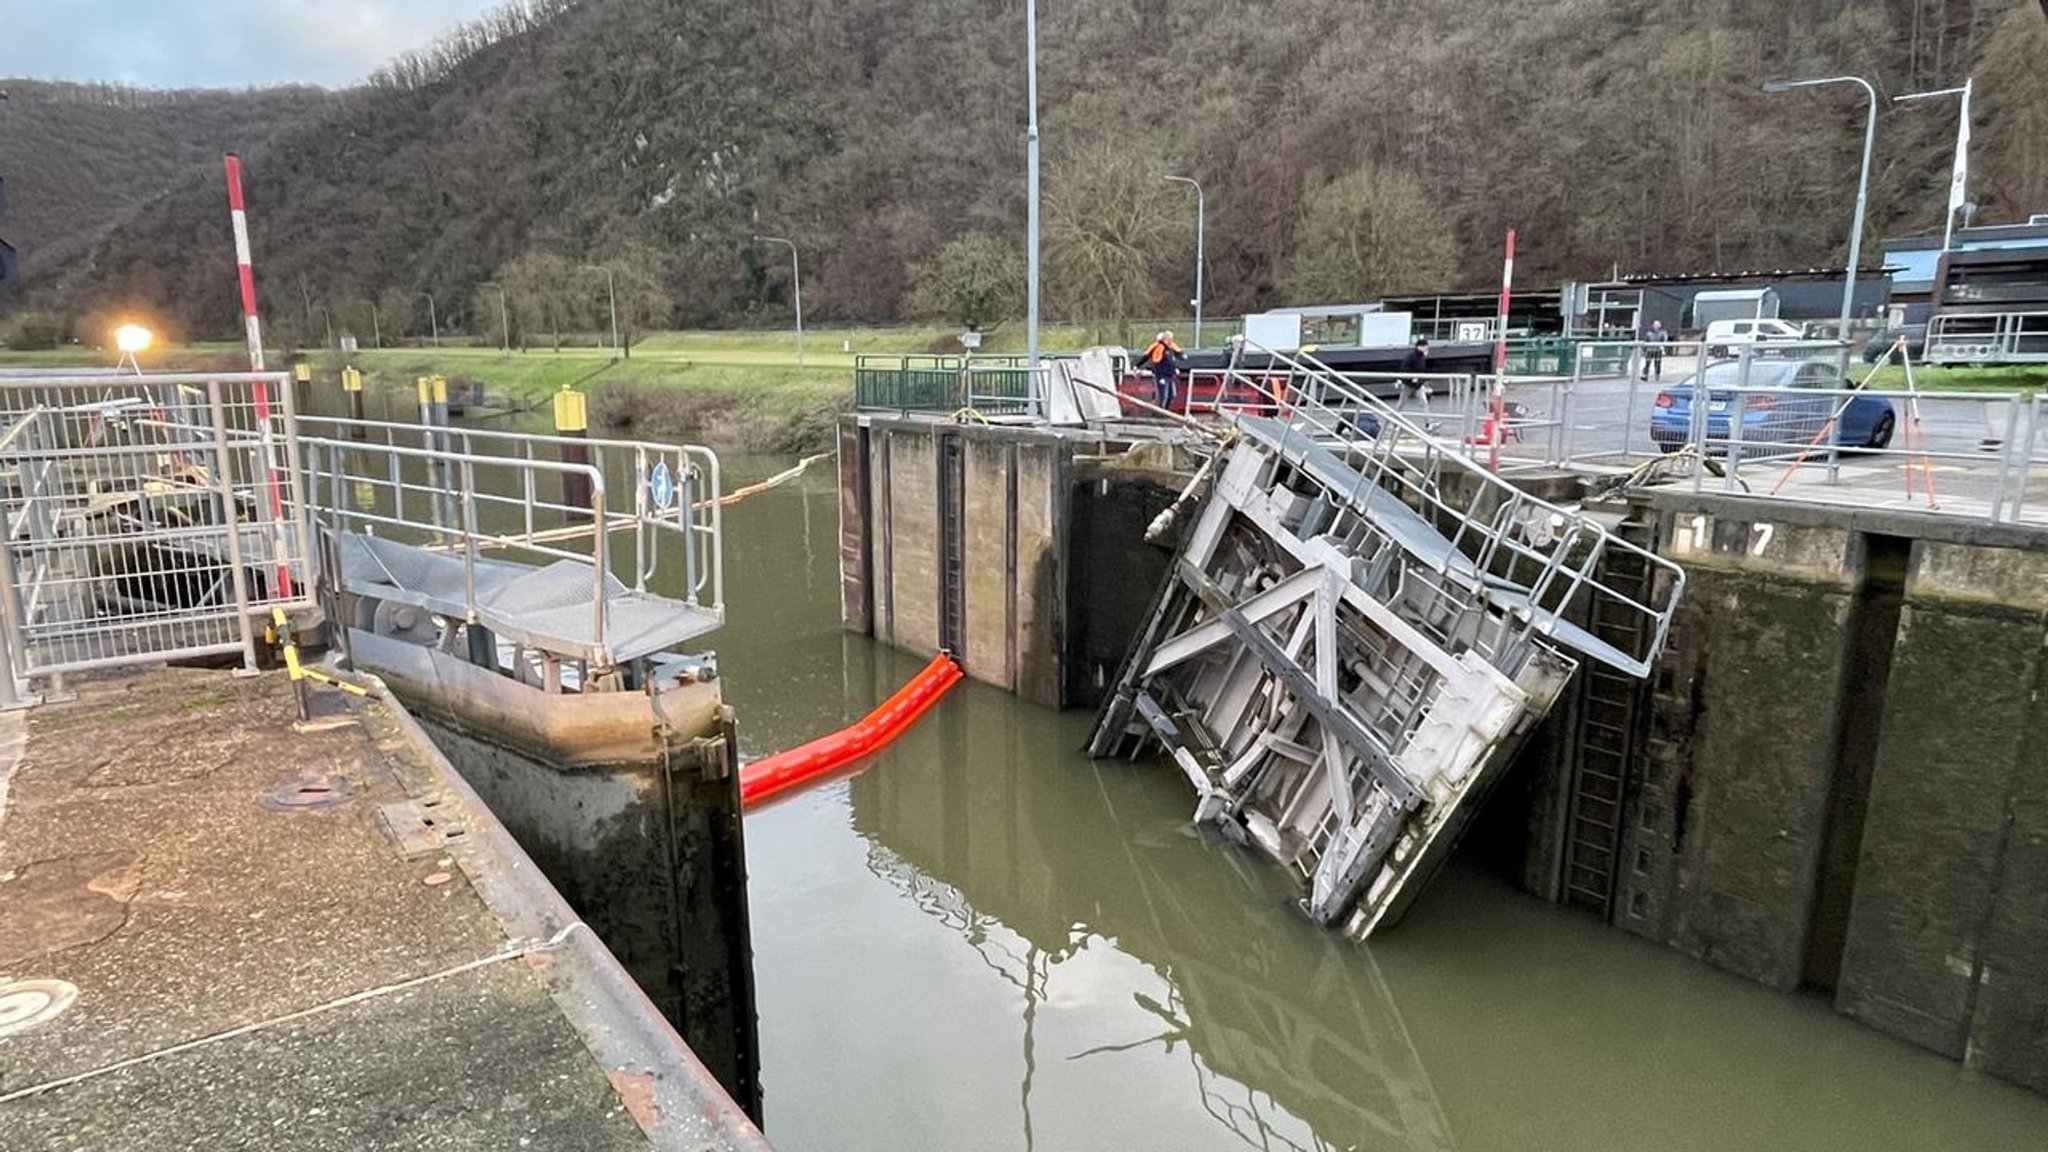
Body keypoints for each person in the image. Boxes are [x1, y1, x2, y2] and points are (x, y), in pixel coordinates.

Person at [1397, 336, 1439, 432]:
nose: (1427, 349)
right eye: (1425, 347)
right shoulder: (1411, 357)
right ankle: (1394, 423)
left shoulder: (1422, 357)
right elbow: (1404, 368)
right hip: (1408, 384)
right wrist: (1411, 378)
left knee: (1424, 403)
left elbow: (1422, 370)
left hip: (1418, 385)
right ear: (1419, 347)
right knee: (1401, 404)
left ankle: (1428, 424)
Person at [1138, 330, 1183, 412]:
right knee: (1164, 395)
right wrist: (1161, 376)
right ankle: (1162, 412)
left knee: (1172, 395)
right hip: (1163, 375)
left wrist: (1175, 368)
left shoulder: (1170, 348)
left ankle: (1165, 410)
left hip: (1170, 375)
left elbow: (1172, 360)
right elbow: (1156, 362)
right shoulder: (1159, 347)